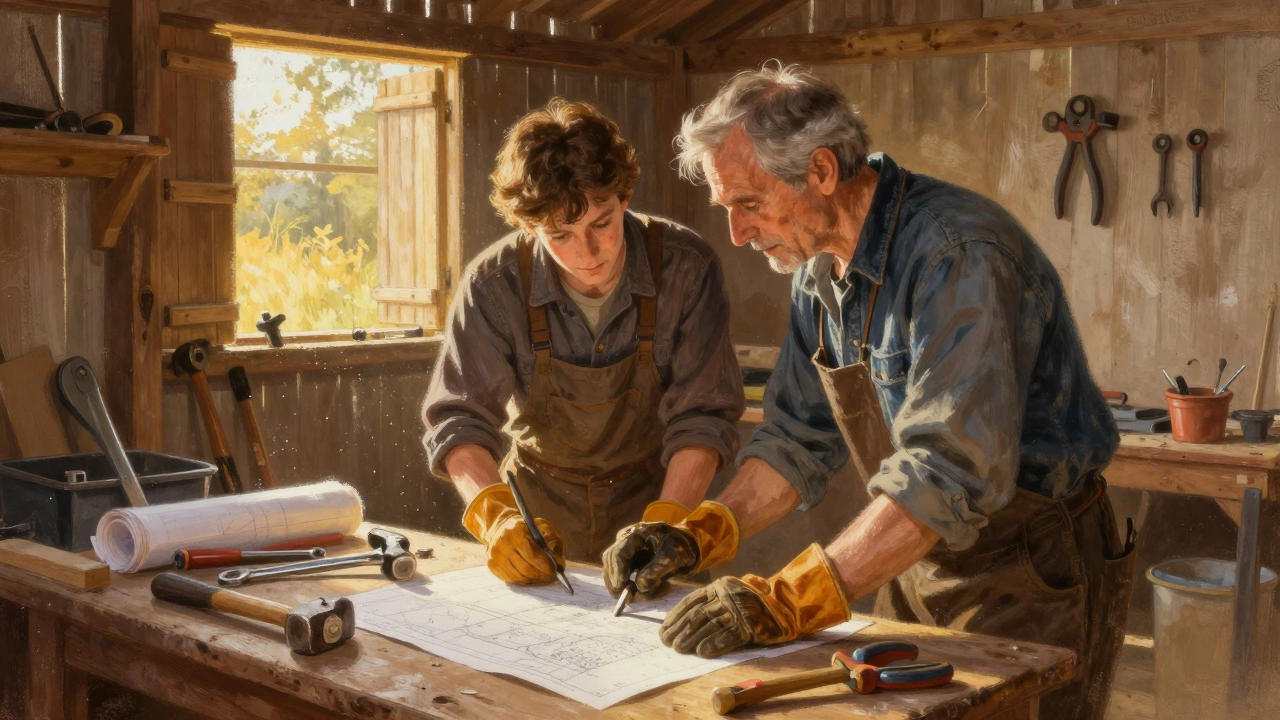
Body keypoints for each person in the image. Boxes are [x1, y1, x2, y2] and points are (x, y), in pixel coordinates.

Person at [601, 64, 1134, 720]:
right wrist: (698, 532)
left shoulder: (956, 254)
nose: (737, 234)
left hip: (1031, 567)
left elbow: (945, 472)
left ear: (821, 172)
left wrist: (786, 601)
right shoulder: (816, 267)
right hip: (909, 556)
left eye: (749, 203)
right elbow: (797, 436)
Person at [422, 98, 743, 586]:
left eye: (601, 223)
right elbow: (459, 420)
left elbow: (703, 418)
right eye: (561, 235)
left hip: (658, 497)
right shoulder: (492, 284)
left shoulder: (686, 267)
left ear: (625, 195)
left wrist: (669, 522)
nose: (588, 252)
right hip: (536, 516)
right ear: (528, 225)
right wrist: (498, 520)